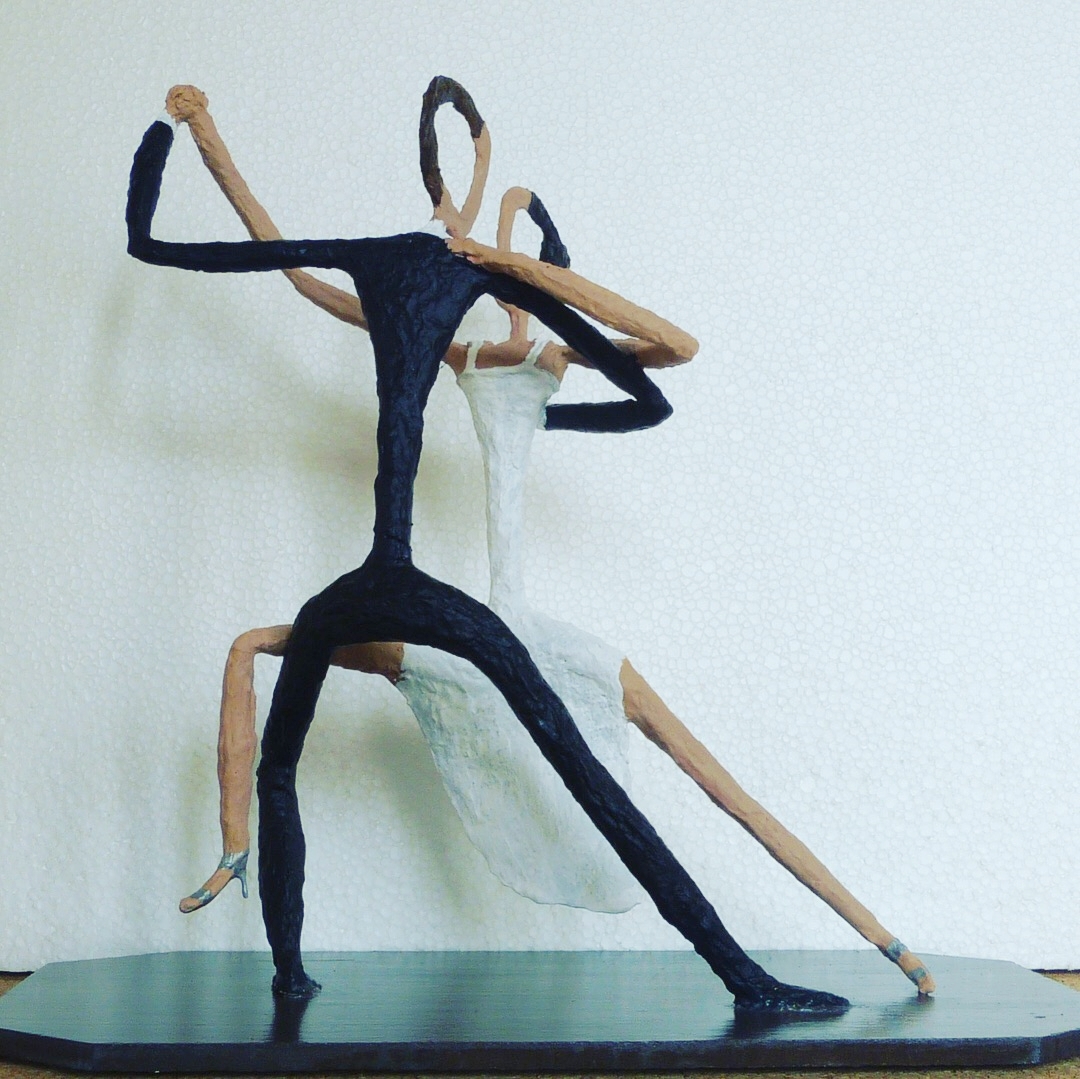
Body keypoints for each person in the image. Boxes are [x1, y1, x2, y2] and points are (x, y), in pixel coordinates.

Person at [128, 76, 852, 1010]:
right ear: (460, 183)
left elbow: (187, 247)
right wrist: (517, 268)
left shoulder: (377, 259)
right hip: (410, 588)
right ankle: (743, 977)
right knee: (583, 774)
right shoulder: (474, 272)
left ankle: (291, 972)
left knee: (279, 767)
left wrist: (185, 132)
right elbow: (666, 355)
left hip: (359, 589)